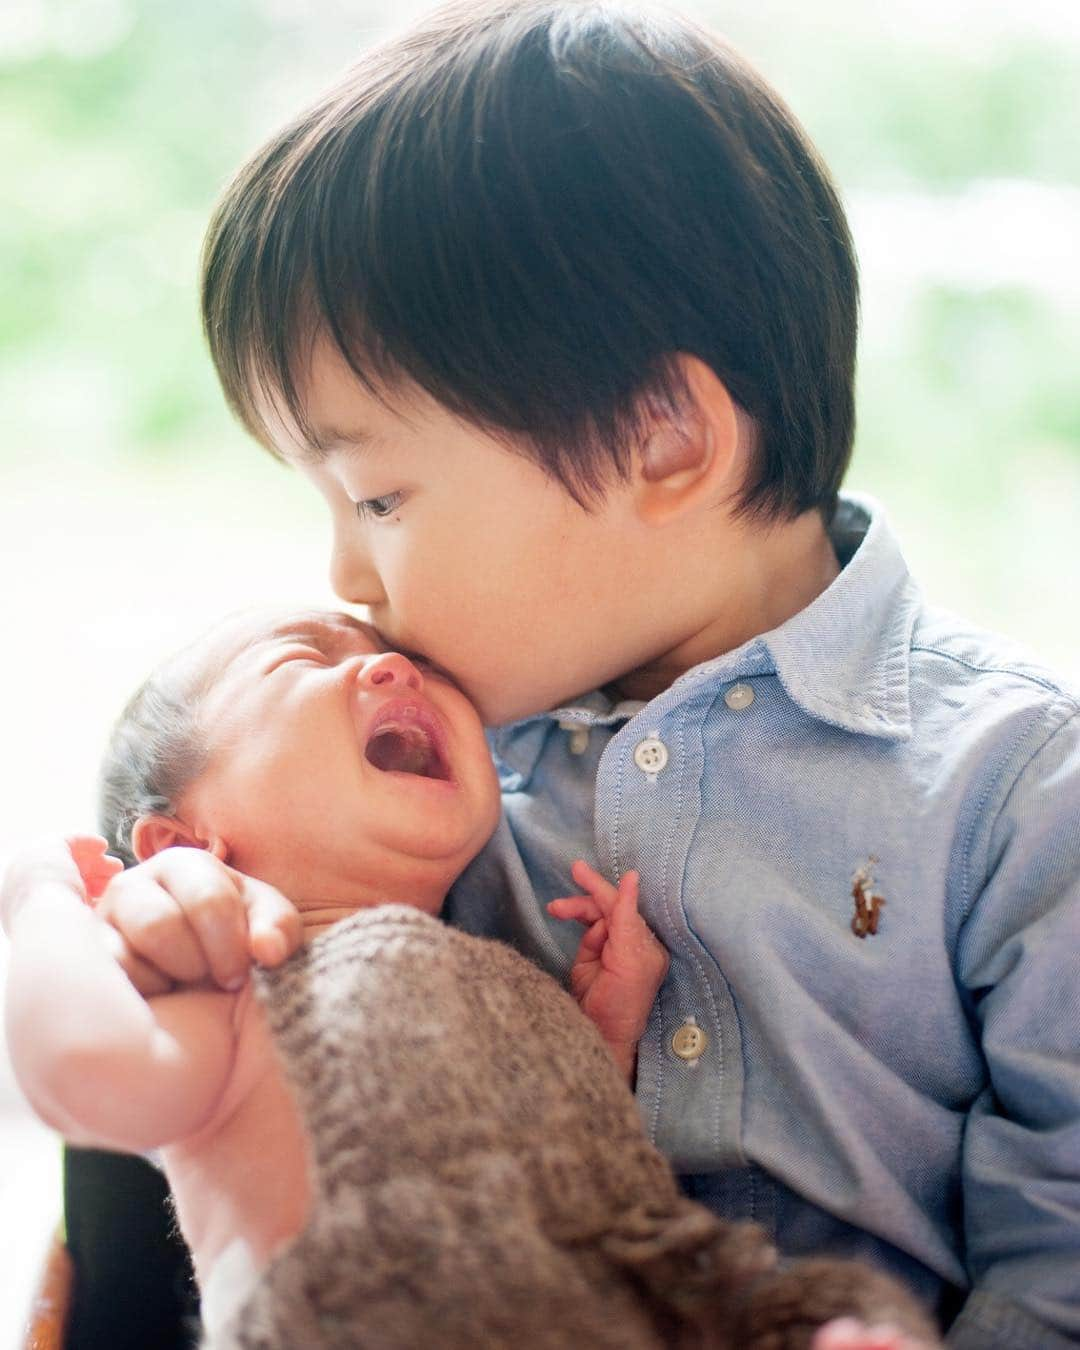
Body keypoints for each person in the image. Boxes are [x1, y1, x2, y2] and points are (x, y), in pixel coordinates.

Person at [31, 0, 1080, 1343]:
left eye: (380, 499)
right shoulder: (444, 779)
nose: (349, 580)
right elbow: (236, 996)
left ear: (659, 438)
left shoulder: (1015, 788)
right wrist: (167, 903)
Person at [2, 608, 939, 1350]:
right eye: (301, 660)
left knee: (825, 1298)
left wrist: (601, 1039)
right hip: (387, 1318)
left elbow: (554, 1168)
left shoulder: (499, 964)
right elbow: (85, 1074)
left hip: (622, 1298)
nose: (390, 665)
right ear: (184, 842)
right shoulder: (235, 977)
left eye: (389, 651)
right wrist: (37, 897)